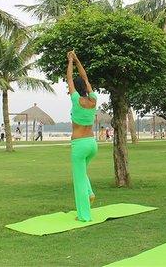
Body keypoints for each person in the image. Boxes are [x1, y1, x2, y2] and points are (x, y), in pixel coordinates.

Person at [67, 50, 98, 222]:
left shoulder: (75, 100)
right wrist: (77, 60)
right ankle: (90, 192)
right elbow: (84, 78)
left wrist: (70, 61)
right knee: (82, 172)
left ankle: (84, 216)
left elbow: (70, 78)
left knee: (78, 179)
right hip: (92, 144)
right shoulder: (93, 99)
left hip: (79, 145)